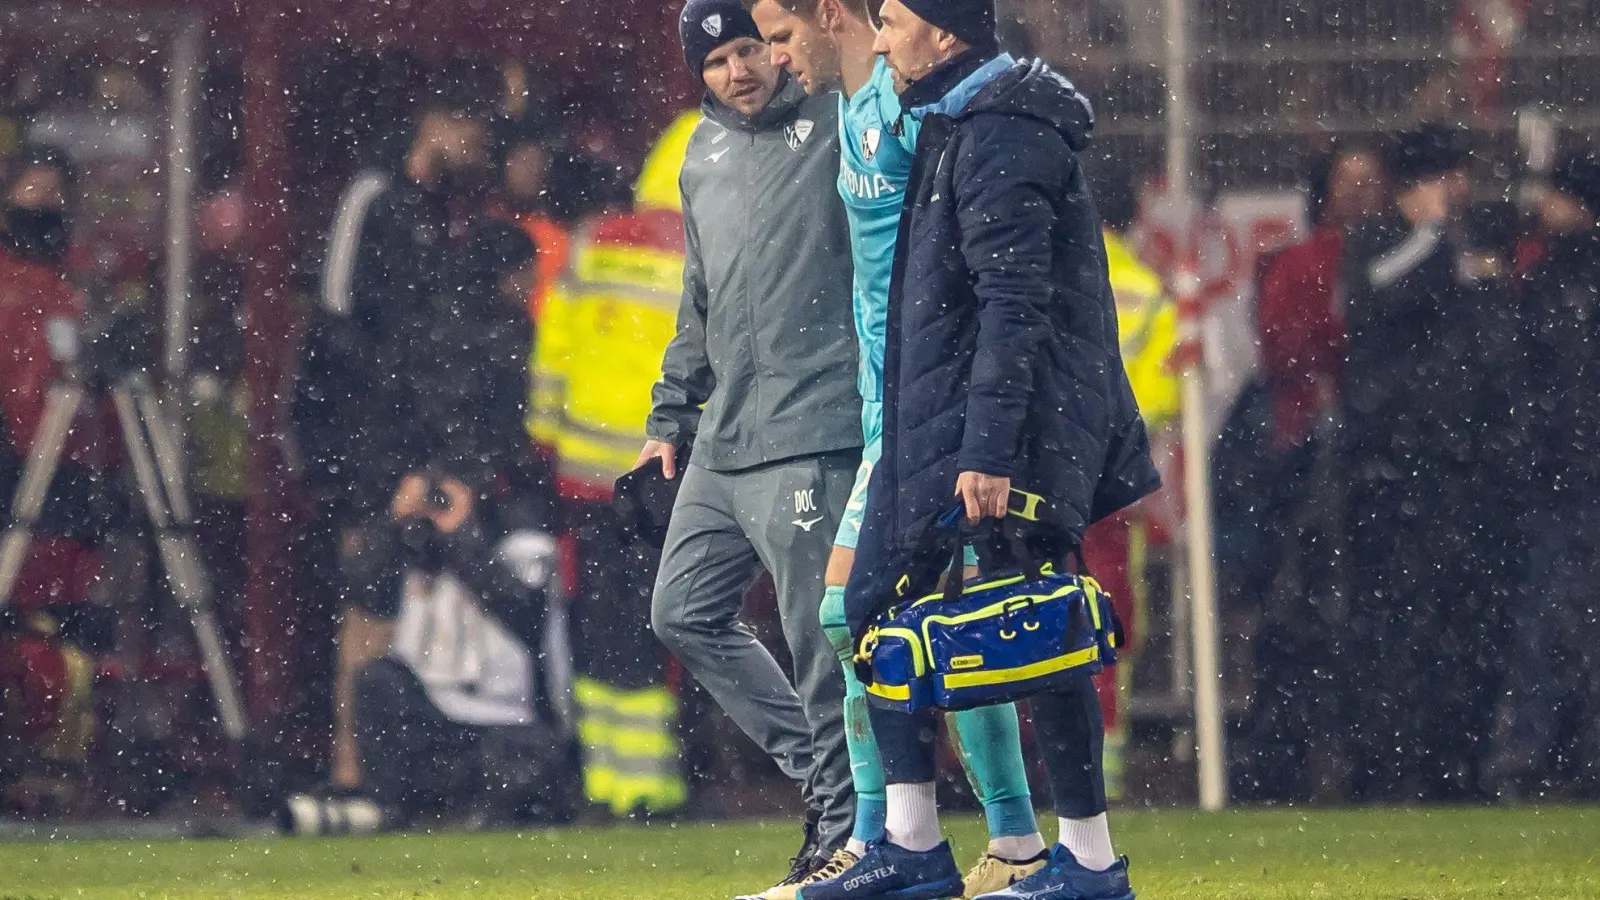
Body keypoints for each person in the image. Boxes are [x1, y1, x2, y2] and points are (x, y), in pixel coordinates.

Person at [814, 1, 1159, 897]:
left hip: (1002, 433)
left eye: (891, 20)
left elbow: (1015, 306)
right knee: (873, 607)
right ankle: (916, 847)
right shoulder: (962, 119)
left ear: (945, 32)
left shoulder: (1005, 128)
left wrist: (992, 450)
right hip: (944, 421)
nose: (879, 39)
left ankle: (1081, 860)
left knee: (1038, 627)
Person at [744, 1, 1051, 896]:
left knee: (874, 621)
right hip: (887, 404)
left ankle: (950, 843)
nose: (772, 57)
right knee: (897, 629)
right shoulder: (847, 110)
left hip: (931, 407)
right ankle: (937, 844)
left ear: (829, 15)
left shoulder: (910, 105)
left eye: (781, 34)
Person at [640, 0, 862, 893]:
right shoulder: (701, 153)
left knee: (818, 640)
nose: (739, 69)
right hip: (724, 436)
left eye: (750, 49)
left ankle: (850, 835)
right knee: (681, 612)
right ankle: (828, 788)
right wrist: (669, 413)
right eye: (719, 59)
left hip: (813, 425)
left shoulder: (839, 117)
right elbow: (699, 294)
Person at [293, 74, 498, 796]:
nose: (477, 152)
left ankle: (388, 770)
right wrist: (380, 460)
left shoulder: (434, 213)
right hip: (367, 445)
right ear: (434, 125)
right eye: (469, 135)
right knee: (368, 593)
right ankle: (354, 770)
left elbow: (427, 346)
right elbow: (338, 325)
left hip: (411, 442)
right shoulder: (376, 199)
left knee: (403, 596)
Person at [1340, 123, 1479, 801]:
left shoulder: (1461, 246)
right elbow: (1372, 295)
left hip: (1451, 462)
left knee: (1455, 618)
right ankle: (1386, 764)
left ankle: (1448, 760)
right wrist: (1429, 237)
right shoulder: (1377, 241)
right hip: (1388, 469)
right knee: (1389, 617)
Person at [1492, 149, 1600, 796]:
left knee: (1549, 618)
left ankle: (1541, 749)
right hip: (1563, 473)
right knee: (1550, 619)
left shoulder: (1554, 276)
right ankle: (1551, 751)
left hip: (1566, 473)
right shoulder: (1547, 273)